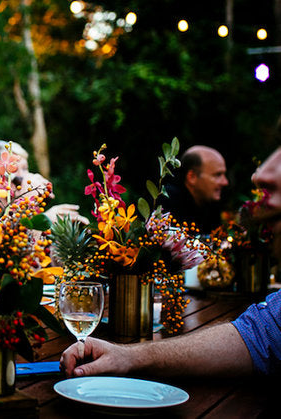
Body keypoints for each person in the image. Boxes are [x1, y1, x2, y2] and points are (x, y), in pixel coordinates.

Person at [61, 139, 281, 378]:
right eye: (218, 174)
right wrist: (127, 356)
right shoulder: (167, 209)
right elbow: (258, 335)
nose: (261, 176)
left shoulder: (204, 207)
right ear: (192, 178)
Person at [159, 145, 229, 234]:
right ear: (192, 177)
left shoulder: (210, 206)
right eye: (218, 175)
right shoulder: (166, 203)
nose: (225, 182)